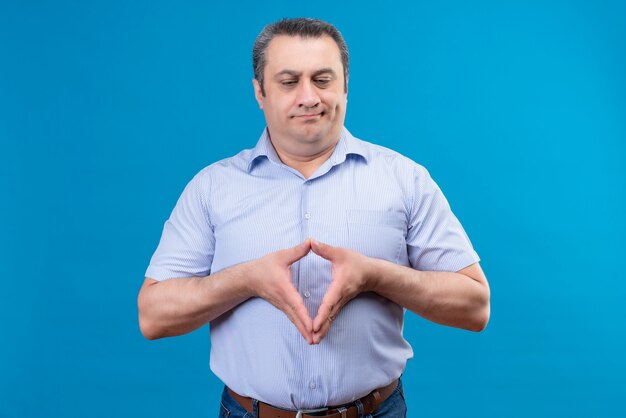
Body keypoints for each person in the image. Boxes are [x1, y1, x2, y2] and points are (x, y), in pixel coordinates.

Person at [138, 17, 490, 418]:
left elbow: (475, 306)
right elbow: (153, 315)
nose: (309, 97)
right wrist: (245, 280)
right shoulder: (212, 187)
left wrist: (376, 276)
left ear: (345, 86)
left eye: (322, 80)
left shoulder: (404, 179)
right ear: (260, 91)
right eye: (289, 82)